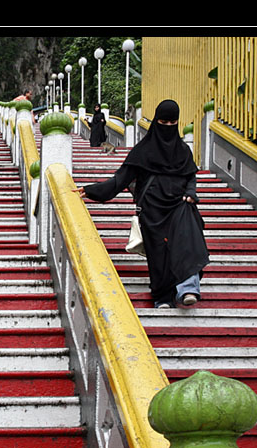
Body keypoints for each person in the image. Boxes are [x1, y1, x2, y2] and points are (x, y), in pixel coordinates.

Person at [77, 100, 209, 308]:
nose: (167, 127)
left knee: (187, 242)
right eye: (163, 121)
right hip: (151, 209)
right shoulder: (142, 151)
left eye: (172, 122)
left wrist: (191, 193)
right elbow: (120, 180)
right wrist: (91, 190)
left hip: (179, 205)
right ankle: (163, 297)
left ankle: (188, 288)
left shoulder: (183, 150)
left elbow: (190, 176)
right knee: (158, 252)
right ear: (156, 121)